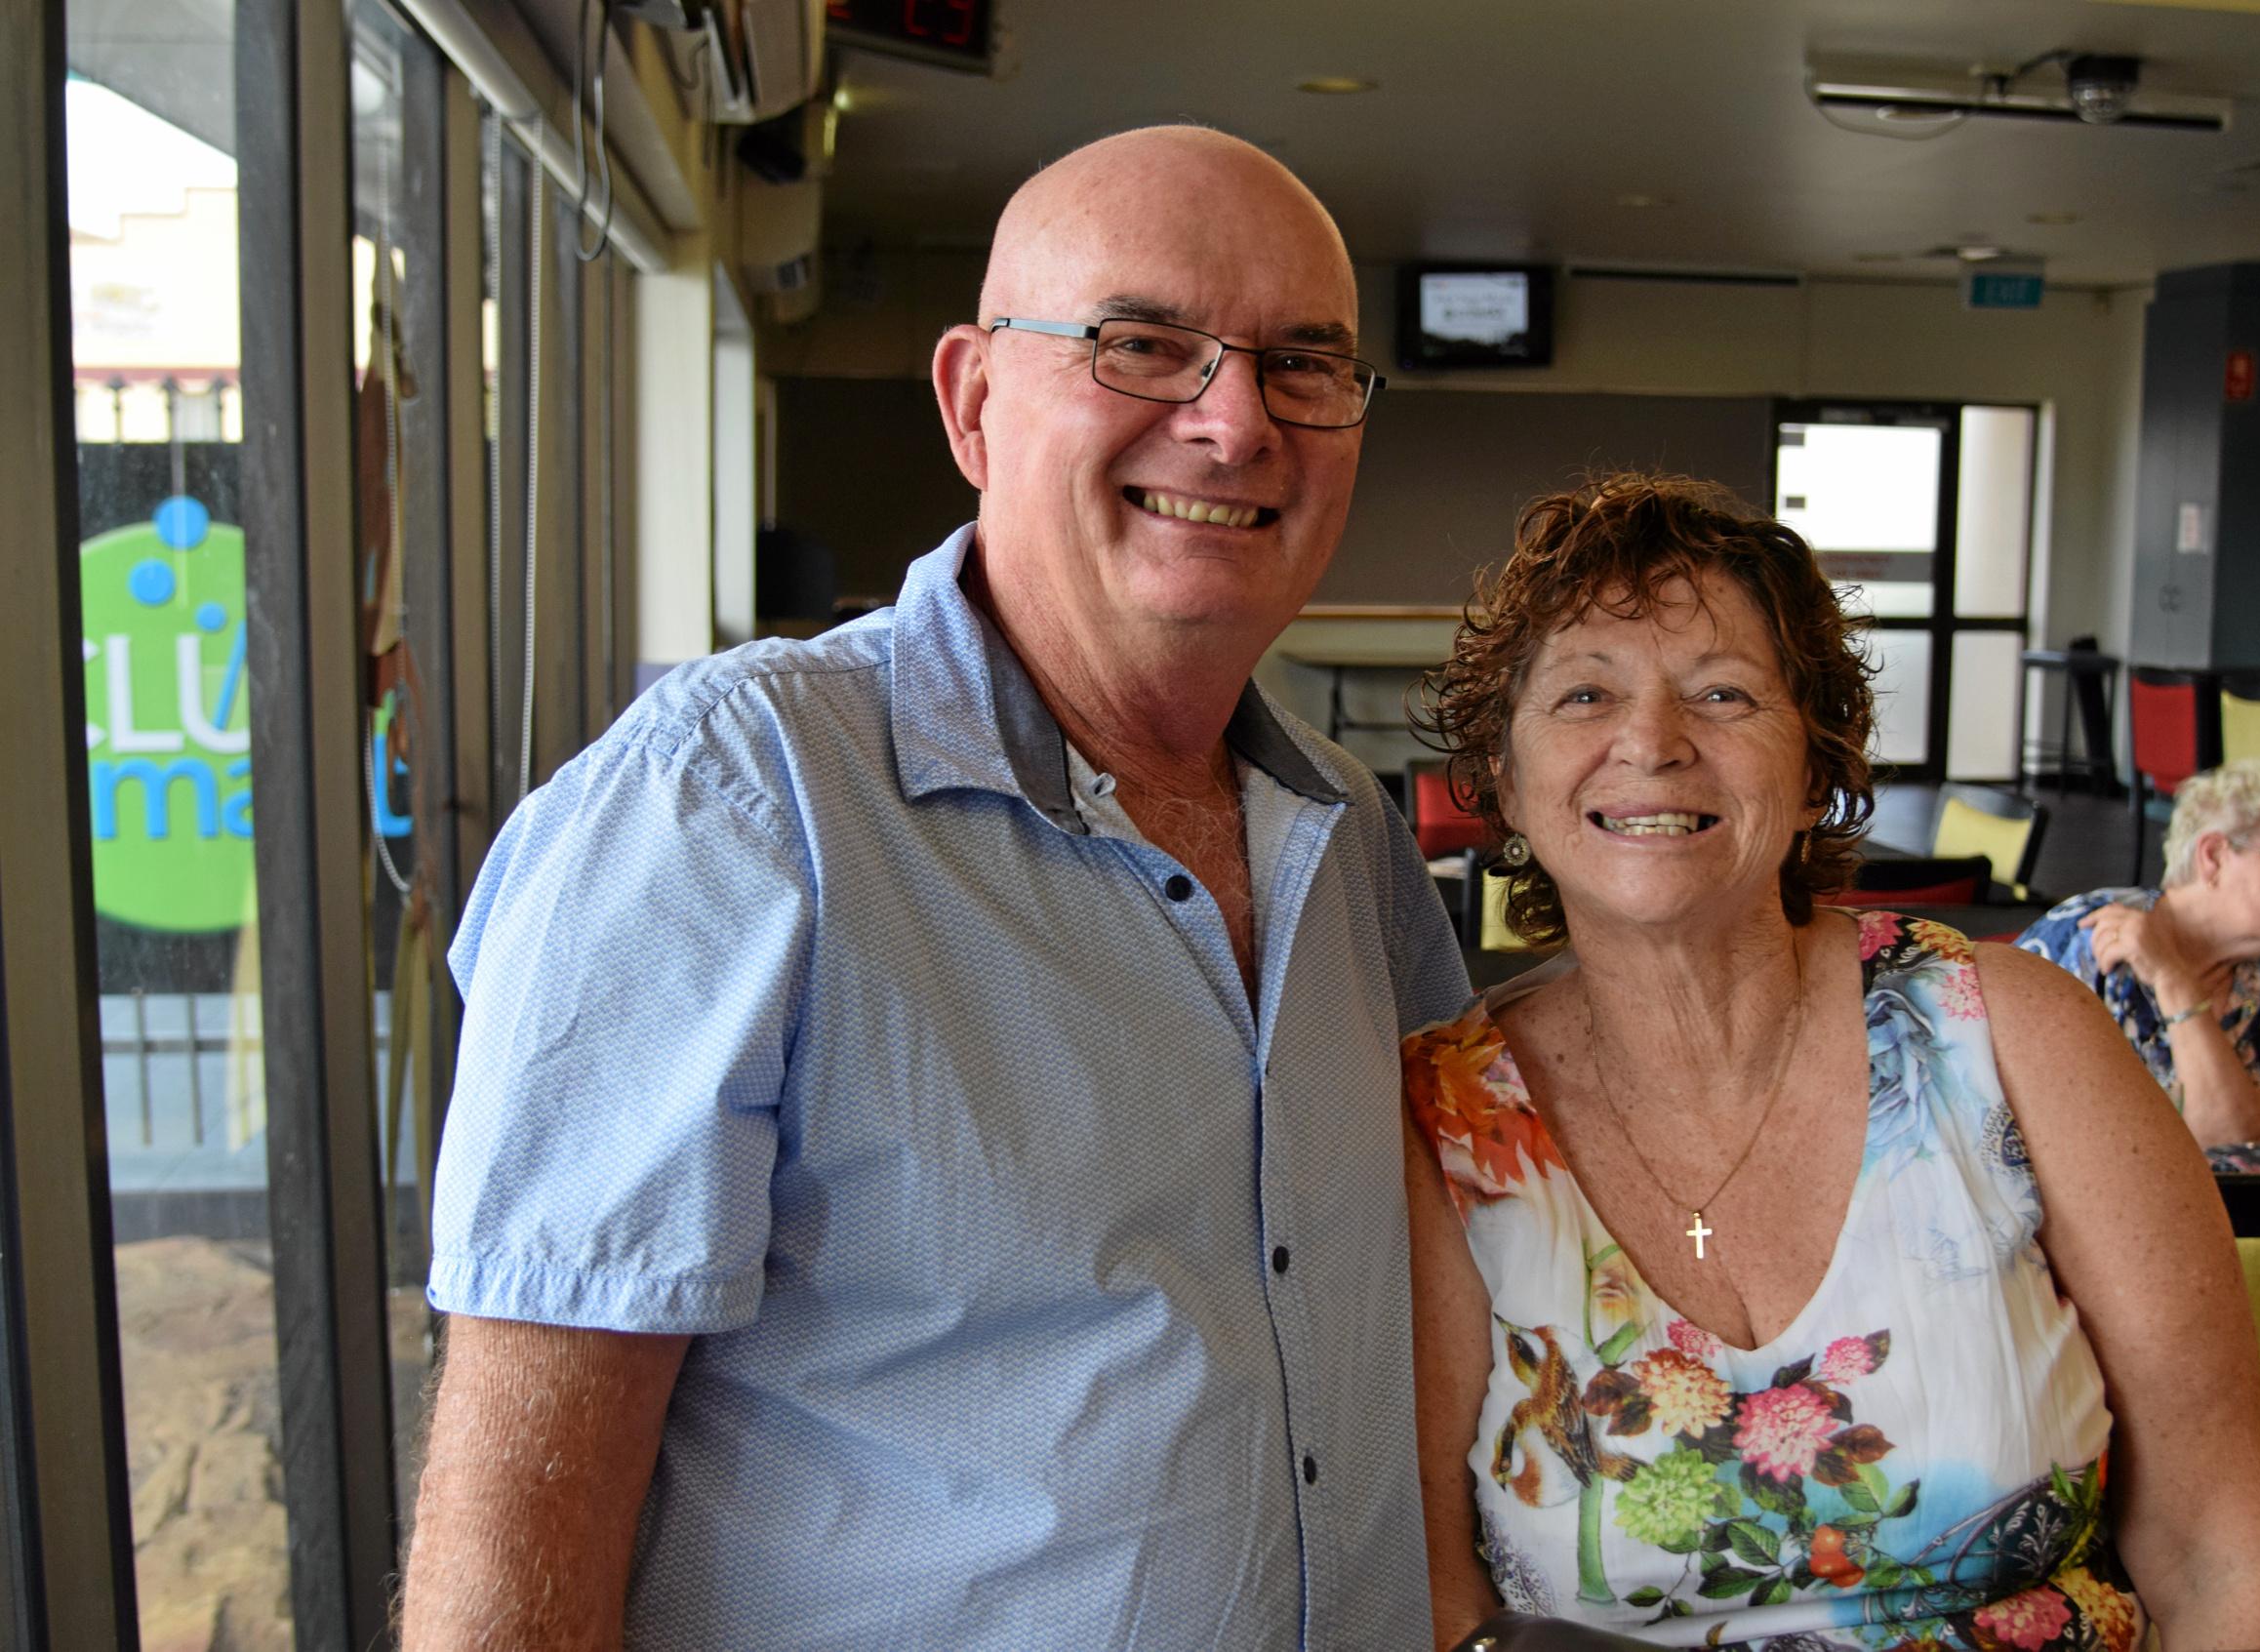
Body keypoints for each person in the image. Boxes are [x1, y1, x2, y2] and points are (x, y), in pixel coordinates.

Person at [401, 127, 1470, 1650]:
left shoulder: (1348, 836)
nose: (1235, 422)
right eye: (1144, 345)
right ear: (972, 400)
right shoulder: (730, 806)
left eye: (1304, 363)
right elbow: (515, 1548)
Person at [1400, 474, 2260, 1649]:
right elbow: (1434, 1595)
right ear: (1507, 785)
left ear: (1814, 765)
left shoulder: (2013, 1033)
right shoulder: (1443, 1119)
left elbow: (2220, 1544)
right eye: (1585, 694)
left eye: (1723, 694)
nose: (1651, 743)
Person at [2014, 760, 2260, 1173]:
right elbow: (2028, 1118)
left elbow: (2242, 1149)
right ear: (2213, 856)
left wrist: (2174, 981)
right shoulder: (2091, 935)